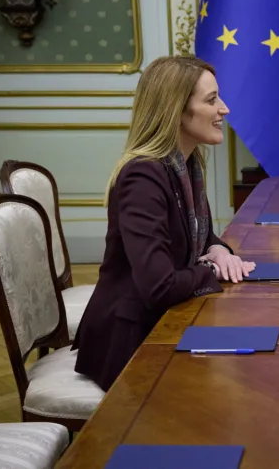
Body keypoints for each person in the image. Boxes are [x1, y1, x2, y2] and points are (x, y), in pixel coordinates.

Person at [73, 55, 256, 391]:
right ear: (177, 110)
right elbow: (159, 287)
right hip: (132, 339)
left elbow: (192, 236)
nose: (224, 109)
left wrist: (217, 249)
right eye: (212, 100)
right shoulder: (142, 177)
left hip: (165, 321)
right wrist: (211, 270)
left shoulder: (186, 165)